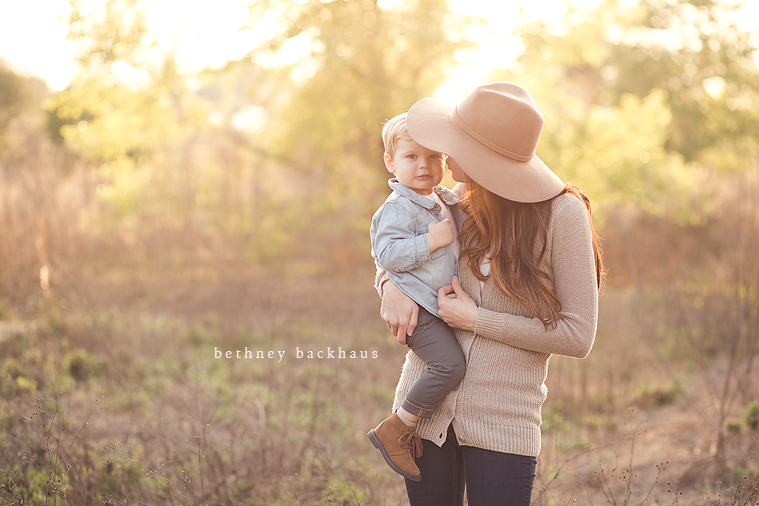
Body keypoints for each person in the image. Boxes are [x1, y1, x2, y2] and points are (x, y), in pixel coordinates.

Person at [376, 82, 604, 506]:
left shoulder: (562, 215)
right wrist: (387, 285)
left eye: (453, 144)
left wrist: (478, 320)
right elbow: (394, 247)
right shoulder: (454, 202)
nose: (442, 154)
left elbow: (578, 335)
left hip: (504, 423)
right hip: (424, 418)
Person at [367, 113, 467, 482]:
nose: (423, 165)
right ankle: (396, 429)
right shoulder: (396, 208)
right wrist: (431, 241)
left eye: (433, 157)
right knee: (449, 366)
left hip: (438, 305)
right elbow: (387, 255)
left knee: (453, 364)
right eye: (411, 157)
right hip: (418, 310)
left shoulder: (445, 198)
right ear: (390, 162)